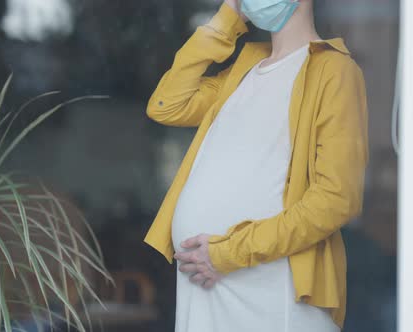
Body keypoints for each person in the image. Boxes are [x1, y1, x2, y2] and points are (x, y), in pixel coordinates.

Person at [143, 0, 369, 331]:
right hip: (205, 282)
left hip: (274, 291)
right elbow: (167, 105)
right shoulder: (245, 68)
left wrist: (228, 254)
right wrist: (227, 19)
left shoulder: (334, 70)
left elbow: (336, 199)